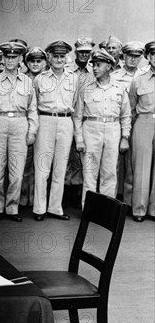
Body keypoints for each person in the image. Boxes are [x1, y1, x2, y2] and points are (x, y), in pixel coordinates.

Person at [73, 49, 131, 207]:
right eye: (94, 65)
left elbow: (126, 115)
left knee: (110, 173)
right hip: (91, 129)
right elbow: (77, 116)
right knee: (90, 173)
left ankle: (106, 211)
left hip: (113, 129)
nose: (95, 68)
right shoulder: (86, 89)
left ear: (109, 67)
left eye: (99, 65)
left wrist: (125, 137)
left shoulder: (119, 89)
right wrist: (79, 139)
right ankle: (89, 210)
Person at [0, 41, 37, 222]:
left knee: (17, 171)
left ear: (20, 59)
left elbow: (32, 108)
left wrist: (32, 130)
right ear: (3, 58)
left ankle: (12, 208)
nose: (10, 60)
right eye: (7, 57)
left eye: (14, 57)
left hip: (20, 123)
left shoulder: (27, 82)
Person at [32, 40, 79, 221]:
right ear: (49, 57)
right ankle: (39, 208)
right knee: (43, 166)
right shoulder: (40, 79)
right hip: (45, 120)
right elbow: (34, 104)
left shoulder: (73, 78)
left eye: (62, 56)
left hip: (66, 121)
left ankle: (55, 207)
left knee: (60, 167)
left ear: (67, 57)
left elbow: (75, 103)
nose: (59, 60)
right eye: (56, 56)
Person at [112, 41, 146, 205]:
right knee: (113, 165)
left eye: (137, 56)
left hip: (136, 123)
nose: (133, 60)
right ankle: (112, 202)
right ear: (123, 56)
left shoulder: (143, 76)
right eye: (130, 56)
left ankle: (128, 202)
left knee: (133, 165)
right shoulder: (114, 76)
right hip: (115, 123)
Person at [63, 37, 96, 210]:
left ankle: (77, 196)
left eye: (87, 52)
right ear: (76, 52)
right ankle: (64, 196)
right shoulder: (67, 70)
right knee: (66, 158)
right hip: (67, 119)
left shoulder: (94, 69)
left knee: (81, 160)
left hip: (86, 120)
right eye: (81, 51)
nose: (84, 55)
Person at [128, 41, 155, 222]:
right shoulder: (139, 78)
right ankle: (139, 209)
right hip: (144, 121)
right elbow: (130, 105)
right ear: (148, 57)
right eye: (153, 54)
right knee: (142, 167)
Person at [20, 46, 48, 208]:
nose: (35, 64)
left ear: (45, 62)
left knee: (42, 163)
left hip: (44, 123)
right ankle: (23, 198)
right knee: (24, 162)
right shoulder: (22, 79)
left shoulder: (49, 79)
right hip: (25, 123)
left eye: (39, 61)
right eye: (32, 61)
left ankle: (35, 199)